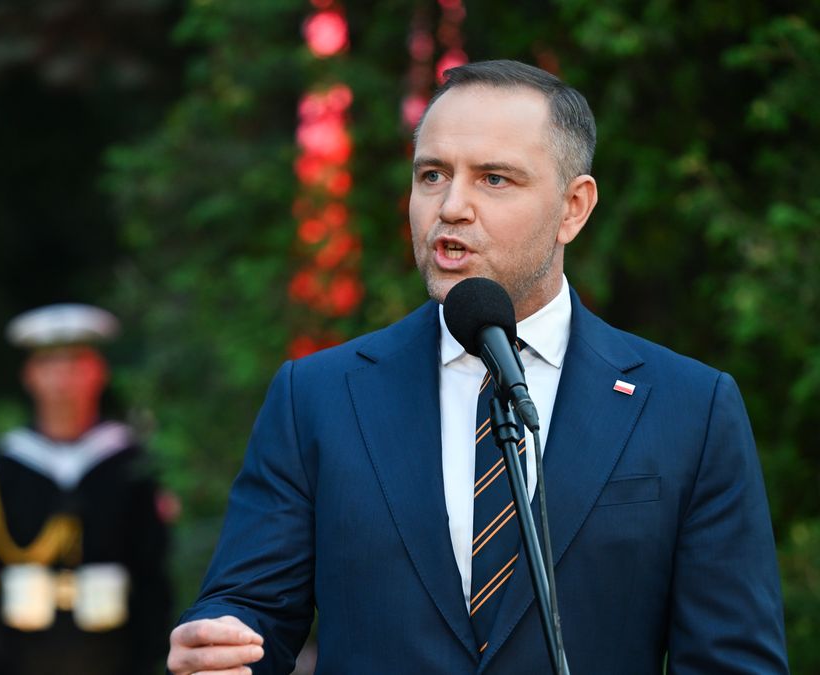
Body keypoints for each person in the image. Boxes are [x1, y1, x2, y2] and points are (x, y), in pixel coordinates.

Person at [167, 60, 788, 674]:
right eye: (433, 174)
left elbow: (733, 660)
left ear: (574, 207)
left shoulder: (689, 408)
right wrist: (221, 649)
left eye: (494, 179)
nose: (452, 206)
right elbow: (248, 613)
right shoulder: (318, 397)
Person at [0, 303, 171, 675]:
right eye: (50, 367)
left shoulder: (128, 462)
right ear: (29, 375)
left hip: (114, 653)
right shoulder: (1, 465)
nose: (62, 382)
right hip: (21, 655)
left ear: (99, 372)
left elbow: (152, 571)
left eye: (76, 365)